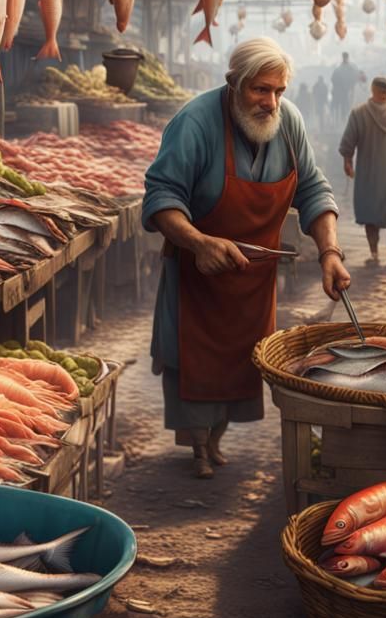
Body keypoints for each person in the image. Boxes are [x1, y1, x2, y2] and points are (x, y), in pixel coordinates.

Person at [144, 38, 351, 478]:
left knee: (240, 363)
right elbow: (163, 196)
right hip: (195, 276)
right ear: (234, 83)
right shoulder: (195, 122)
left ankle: (215, 439)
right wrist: (199, 243)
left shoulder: (287, 121)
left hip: (253, 281)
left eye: (278, 91)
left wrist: (329, 252)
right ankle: (197, 446)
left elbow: (314, 188)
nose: (270, 102)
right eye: (260, 90)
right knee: (192, 362)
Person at [339, 75, 386, 263]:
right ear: (375, 90)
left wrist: (348, 161)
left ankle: (379, 252)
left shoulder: (360, 113)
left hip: (370, 174)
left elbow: (348, 143)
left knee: (371, 212)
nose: (384, 95)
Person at [330, 52, 363, 127]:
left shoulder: (343, 68)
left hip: (346, 91)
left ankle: (344, 120)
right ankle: (342, 120)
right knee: (344, 106)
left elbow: (354, 78)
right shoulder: (343, 68)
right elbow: (333, 79)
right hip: (343, 91)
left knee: (345, 106)